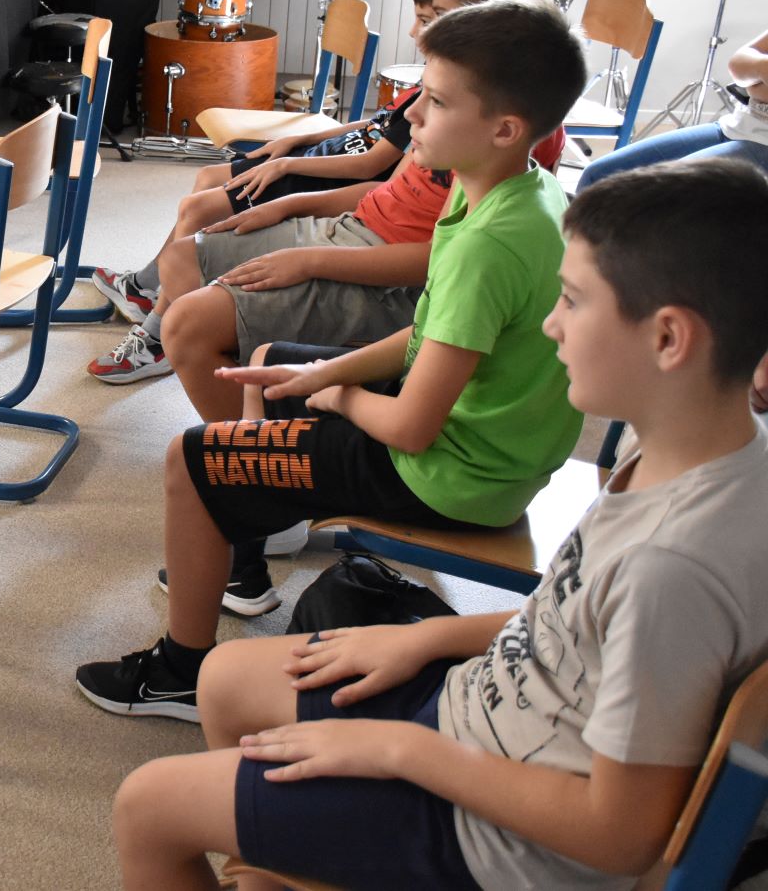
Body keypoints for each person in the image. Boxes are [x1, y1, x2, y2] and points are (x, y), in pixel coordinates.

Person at [108, 158, 768, 891]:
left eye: (573, 301)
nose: (549, 323)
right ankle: (279, 856)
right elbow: (578, 622)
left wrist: (399, 751)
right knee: (225, 678)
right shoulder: (692, 448)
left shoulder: (672, 566)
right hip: (490, 712)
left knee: (148, 806)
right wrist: (423, 638)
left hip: (500, 838)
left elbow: (617, 836)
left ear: (669, 339)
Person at [77, 0, 587, 709]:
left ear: (504, 128)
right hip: (482, 452)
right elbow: (431, 333)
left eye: (437, 102)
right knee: (272, 368)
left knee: (190, 461)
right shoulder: (515, 192)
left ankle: (179, 672)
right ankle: (243, 547)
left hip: (452, 477)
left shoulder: (489, 244)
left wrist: (339, 394)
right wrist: (326, 371)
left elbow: (411, 427)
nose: (411, 115)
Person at [92, 0, 563, 403]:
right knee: (184, 255)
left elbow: (440, 263)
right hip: (353, 227)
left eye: (438, 16)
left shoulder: (497, 142)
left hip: (380, 269)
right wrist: (290, 205)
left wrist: (308, 257)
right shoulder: (453, 117)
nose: (413, 113)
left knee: (191, 320)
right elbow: (385, 184)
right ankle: (166, 320)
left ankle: (235, 412)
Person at [91, 0, 438, 329]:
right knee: (208, 176)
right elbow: (375, 124)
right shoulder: (422, 84)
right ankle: (147, 287)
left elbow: (370, 166)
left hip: (330, 175)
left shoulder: (433, 96)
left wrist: (286, 164)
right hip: (320, 153)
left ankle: (162, 312)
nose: (413, 31)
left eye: (426, 20)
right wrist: (301, 139)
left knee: (196, 209)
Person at [576, 27, 768, 192]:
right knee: (597, 176)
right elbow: (738, 65)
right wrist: (761, 69)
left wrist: (757, 76)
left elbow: (753, 80)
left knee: (661, 194)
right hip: (736, 126)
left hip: (762, 144)